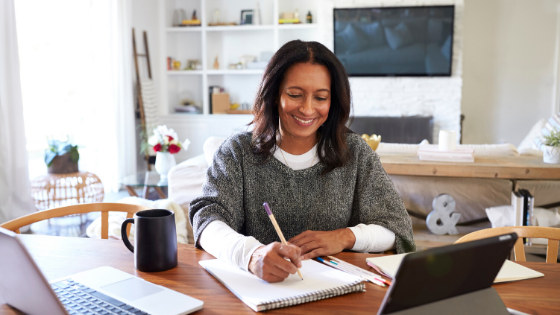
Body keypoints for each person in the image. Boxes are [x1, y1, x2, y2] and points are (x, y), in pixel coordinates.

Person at [189, 40, 415, 283]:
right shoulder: (238, 152)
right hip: (261, 292)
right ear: (275, 95)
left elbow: (397, 230)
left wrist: (343, 237)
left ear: (333, 101)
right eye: (295, 95)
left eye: (320, 97)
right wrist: (251, 255)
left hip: (337, 293)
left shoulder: (356, 153)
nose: (307, 109)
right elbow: (207, 220)